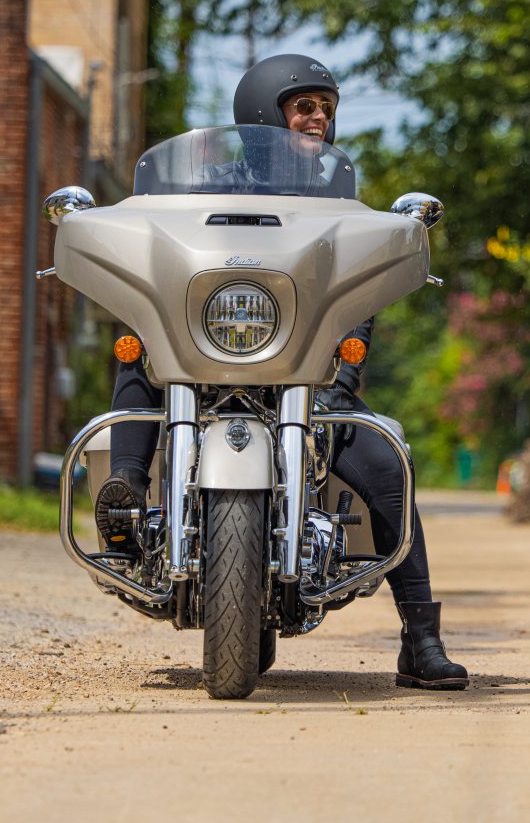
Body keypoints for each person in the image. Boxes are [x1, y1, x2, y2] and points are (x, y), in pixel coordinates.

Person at [95, 52, 467, 692]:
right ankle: (124, 498)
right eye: (305, 105)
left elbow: (359, 289)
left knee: (386, 467)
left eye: (326, 107)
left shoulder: (339, 200)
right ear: (267, 113)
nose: (319, 117)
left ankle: (421, 639)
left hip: (310, 384)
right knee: (139, 343)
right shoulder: (203, 190)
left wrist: (341, 381)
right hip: (206, 364)